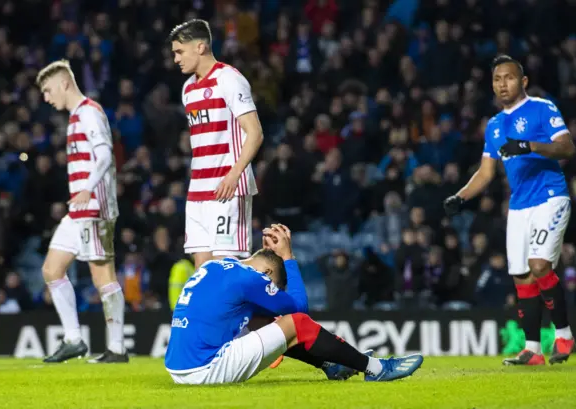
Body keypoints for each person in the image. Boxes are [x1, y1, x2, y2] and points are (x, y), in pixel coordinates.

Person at [164, 225, 424, 384]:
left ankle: (331, 365)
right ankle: (377, 369)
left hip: (178, 365)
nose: (273, 291)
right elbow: (299, 310)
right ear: (266, 275)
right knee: (295, 323)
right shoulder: (251, 278)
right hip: (204, 367)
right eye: (274, 286)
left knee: (268, 321)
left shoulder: (215, 265)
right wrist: (288, 257)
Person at [443, 55, 576, 366]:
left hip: (550, 197)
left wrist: (529, 145)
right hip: (518, 206)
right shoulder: (494, 125)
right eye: (497, 79)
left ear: (523, 81)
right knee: (521, 277)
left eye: (509, 77)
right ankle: (532, 349)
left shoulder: (542, 108)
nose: (502, 84)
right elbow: (486, 172)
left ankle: (565, 335)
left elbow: (567, 147)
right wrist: (460, 197)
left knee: (540, 264)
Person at [36, 60, 127, 363]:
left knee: (103, 277)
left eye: (48, 90)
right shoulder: (76, 117)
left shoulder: (89, 112)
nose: (46, 98)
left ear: (64, 83)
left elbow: (104, 154)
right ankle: (74, 340)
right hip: (79, 209)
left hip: (94, 208)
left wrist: (87, 188)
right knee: (51, 269)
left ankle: (117, 348)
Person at [168, 19, 263, 269]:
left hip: (227, 188)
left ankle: (269, 298)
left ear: (200, 47)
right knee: (203, 275)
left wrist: (233, 175)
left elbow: (255, 133)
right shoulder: (188, 89)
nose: (176, 59)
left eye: (180, 51)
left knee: (225, 273)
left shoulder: (229, 78)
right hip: (197, 190)